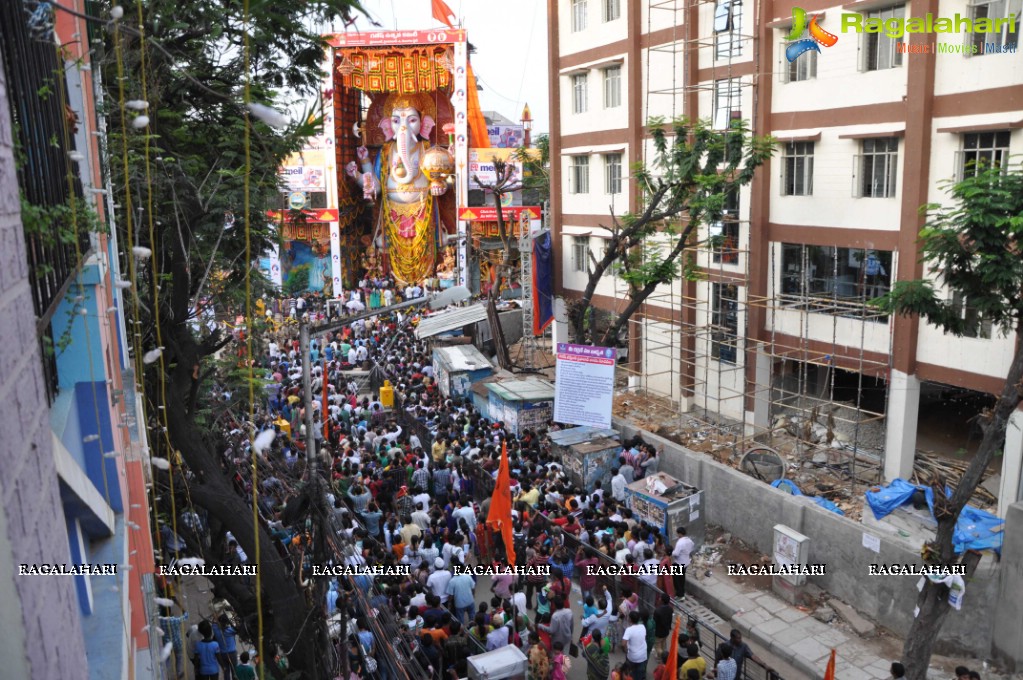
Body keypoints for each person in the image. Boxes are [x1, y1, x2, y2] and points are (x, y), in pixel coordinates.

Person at [622, 610, 649, 680]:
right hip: (642, 655)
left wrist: (626, 650)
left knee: (629, 672)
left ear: (630, 619)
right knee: (638, 673)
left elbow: (623, 643)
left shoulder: (629, 630)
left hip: (632, 656)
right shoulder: (642, 626)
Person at [671, 526, 694, 598]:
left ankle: (680, 594)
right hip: (686, 562)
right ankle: (682, 591)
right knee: (682, 577)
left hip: (679, 563)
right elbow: (692, 547)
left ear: (680, 534)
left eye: (677, 534)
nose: (677, 535)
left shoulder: (680, 542)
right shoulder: (689, 540)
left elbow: (676, 553)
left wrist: (672, 552)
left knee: (676, 579)